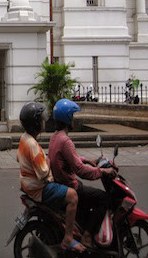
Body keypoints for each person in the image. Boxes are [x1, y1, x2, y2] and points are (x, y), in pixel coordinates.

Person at [17, 101, 85, 253]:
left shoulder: (24, 138)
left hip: (28, 184)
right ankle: (68, 238)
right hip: (39, 188)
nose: (43, 122)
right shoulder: (33, 145)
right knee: (73, 195)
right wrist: (47, 161)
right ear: (36, 123)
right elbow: (42, 172)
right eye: (41, 120)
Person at [49, 99, 116, 248]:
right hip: (70, 185)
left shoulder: (55, 137)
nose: (74, 119)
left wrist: (87, 160)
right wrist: (102, 171)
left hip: (61, 183)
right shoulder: (66, 141)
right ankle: (87, 236)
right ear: (67, 118)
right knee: (103, 198)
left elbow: (69, 159)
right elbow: (80, 170)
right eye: (72, 116)